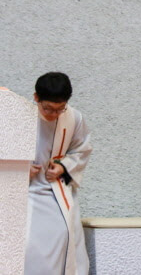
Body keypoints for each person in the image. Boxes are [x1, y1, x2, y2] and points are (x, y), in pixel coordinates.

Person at [25, 72, 92, 275]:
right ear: (36, 98)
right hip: (24, 192)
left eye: (59, 109)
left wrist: (63, 166)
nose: (54, 114)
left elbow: (82, 150)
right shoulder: (19, 116)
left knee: (65, 235)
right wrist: (20, 169)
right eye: (47, 108)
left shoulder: (74, 117)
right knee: (27, 244)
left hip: (56, 190)